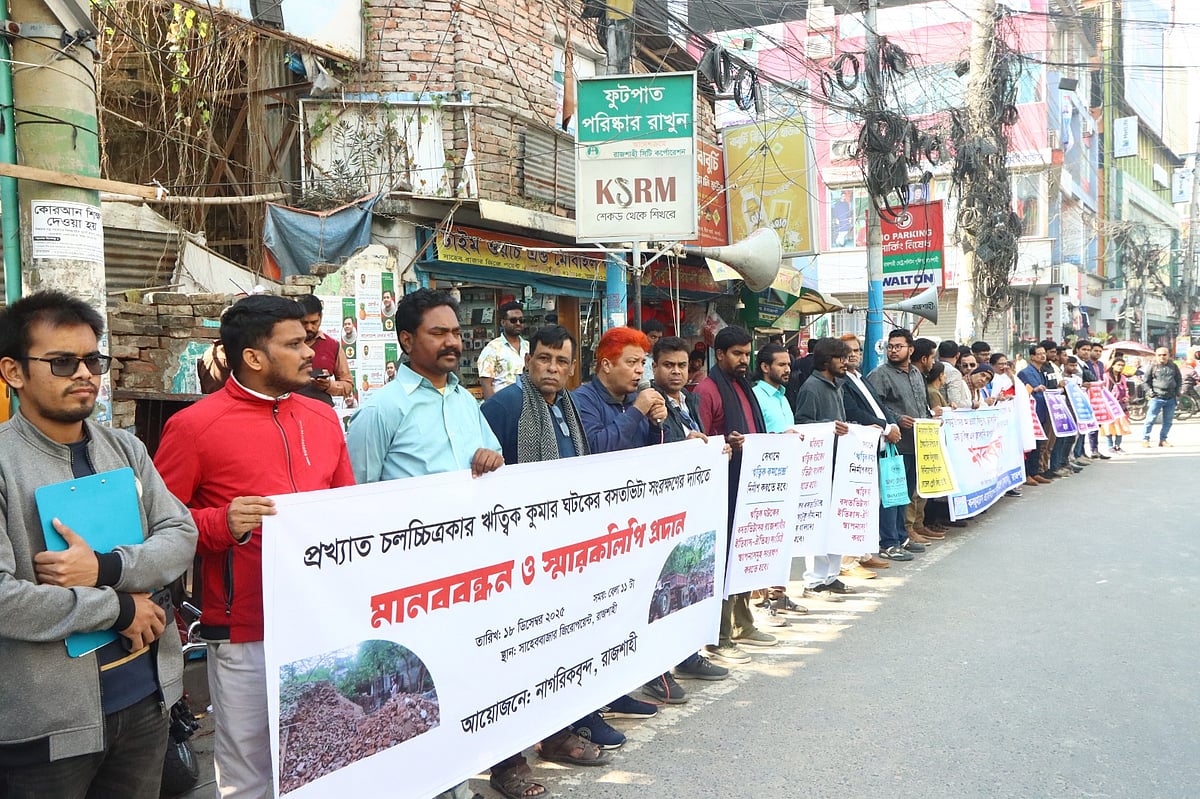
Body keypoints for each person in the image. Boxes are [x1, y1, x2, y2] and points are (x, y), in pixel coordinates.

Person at [154, 295, 354, 799]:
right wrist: (222, 522)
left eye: (308, 340)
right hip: (245, 629)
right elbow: (157, 527)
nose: (312, 352)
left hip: (321, 622)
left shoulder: (324, 418)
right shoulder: (194, 426)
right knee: (250, 776)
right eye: (296, 344)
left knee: (325, 759)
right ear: (254, 357)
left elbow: (351, 511)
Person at [0, 291, 197, 799]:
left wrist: (107, 569)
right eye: (62, 362)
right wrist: (117, 609)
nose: (84, 374)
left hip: (146, 700)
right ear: (13, 372)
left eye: (93, 359)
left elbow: (180, 536)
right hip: (48, 724)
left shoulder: (125, 448)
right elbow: (3, 600)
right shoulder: (5, 466)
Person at [345, 288, 502, 799]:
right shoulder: (382, 410)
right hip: (410, 580)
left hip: (470, 570)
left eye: (455, 332)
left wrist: (490, 459)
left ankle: (454, 782)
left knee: (461, 679)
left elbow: (494, 458)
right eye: (439, 333)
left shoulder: (464, 400)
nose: (452, 342)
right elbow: (357, 498)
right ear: (407, 339)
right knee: (416, 685)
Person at [479, 326, 609, 798]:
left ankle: (553, 733)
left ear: (573, 367)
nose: (552, 369)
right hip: (514, 556)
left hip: (563, 552)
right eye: (543, 359)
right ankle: (506, 763)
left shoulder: (568, 408)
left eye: (561, 361)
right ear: (527, 361)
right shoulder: (504, 407)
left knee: (556, 648)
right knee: (511, 658)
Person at [569, 327, 669, 739]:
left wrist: (663, 425)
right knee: (592, 618)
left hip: (630, 527)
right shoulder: (582, 402)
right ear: (605, 365)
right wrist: (637, 413)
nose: (639, 371)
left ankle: (616, 689)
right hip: (593, 533)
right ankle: (586, 710)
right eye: (632, 362)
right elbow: (597, 449)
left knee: (623, 612)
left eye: (642, 363)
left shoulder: (633, 402)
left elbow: (650, 458)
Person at [693, 326, 777, 660]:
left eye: (747, 354)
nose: (744, 360)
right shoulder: (708, 390)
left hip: (749, 483)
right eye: (737, 354)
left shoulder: (744, 386)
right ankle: (718, 634)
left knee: (744, 552)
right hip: (723, 487)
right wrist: (725, 443)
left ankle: (743, 623)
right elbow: (699, 439)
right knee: (725, 558)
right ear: (720, 355)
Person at [793, 338, 856, 600]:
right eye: (840, 357)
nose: (845, 361)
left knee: (836, 522)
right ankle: (815, 581)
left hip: (838, 462)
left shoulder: (837, 386)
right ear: (826, 360)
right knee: (819, 524)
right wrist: (832, 427)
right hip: (821, 466)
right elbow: (805, 425)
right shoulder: (811, 388)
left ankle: (831, 575)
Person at [838, 334, 904, 566]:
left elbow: (877, 406)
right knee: (860, 501)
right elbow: (853, 411)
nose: (853, 354)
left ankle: (867, 551)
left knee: (879, 498)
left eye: (857, 350)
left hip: (881, 441)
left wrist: (891, 424)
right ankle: (853, 556)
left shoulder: (861, 378)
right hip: (861, 447)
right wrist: (887, 427)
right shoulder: (840, 381)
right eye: (848, 351)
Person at [867, 328, 931, 557]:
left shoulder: (916, 373)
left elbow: (922, 405)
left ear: (910, 349)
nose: (893, 351)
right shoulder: (880, 374)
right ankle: (888, 542)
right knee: (890, 494)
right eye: (890, 347)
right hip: (893, 444)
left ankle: (902, 537)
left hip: (917, 444)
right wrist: (896, 418)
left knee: (905, 493)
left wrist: (932, 419)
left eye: (898, 346)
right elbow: (874, 406)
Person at [294, 294, 354, 406]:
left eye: (314, 322)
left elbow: (348, 385)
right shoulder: (285, 344)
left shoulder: (333, 345)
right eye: (304, 323)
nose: (309, 328)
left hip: (322, 414)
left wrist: (328, 385)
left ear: (320, 317)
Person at [1017, 344, 1054, 486]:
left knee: (1039, 444)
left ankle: (1034, 472)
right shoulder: (1025, 373)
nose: (1042, 356)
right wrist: (1034, 389)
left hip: (1042, 410)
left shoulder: (1041, 371)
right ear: (1032, 356)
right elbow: (1023, 391)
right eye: (1039, 354)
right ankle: (1027, 474)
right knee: (1030, 444)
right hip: (1031, 412)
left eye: (1044, 353)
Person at [478, 300, 529, 400]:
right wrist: (493, 410)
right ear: (503, 322)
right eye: (513, 320)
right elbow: (486, 384)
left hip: (528, 405)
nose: (518, 323)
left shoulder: (529, 347)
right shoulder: (492, 348)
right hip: (503, 404)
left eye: (521, 320)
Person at [1141, 347, 1182, 448]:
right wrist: (1150, 392)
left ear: (1168, 355)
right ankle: (1145, 439)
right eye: (1159, 355)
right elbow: (1146, 382)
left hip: (1170, 398)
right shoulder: (1152, 367)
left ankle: (1163, 440)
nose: (1162, 357)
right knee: (1150, 419)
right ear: (1156, 356)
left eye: (1164, 355)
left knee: (1168, 421)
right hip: (1156, 398)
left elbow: (1179, 379)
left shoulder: (1173, 366)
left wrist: (1178, 391)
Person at [752, 343, 793, 432]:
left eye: (788, 365)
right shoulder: (754, 397)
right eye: (781, 365)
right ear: (765, 367)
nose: (787, 370)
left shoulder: (783, 397)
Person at [1103, 358, 1129, 452]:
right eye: (1118, 365)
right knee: (1108, 425)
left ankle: (1118, 445)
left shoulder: (1123, 377)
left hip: (1120, 404)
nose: (1120, 367)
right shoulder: (1106, 376)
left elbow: (1126, 389)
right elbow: (1103, 389)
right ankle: (1110, 446)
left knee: (1121, 425)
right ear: (1113, 365)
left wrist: (1126, 397)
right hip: (1108, 404)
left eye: (1122, 365)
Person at [937, 340, 971, 409]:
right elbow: (955, 402)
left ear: (938, 354)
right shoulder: (953, 372)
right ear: (958, 355)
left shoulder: (931, 368)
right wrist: (972, 403)